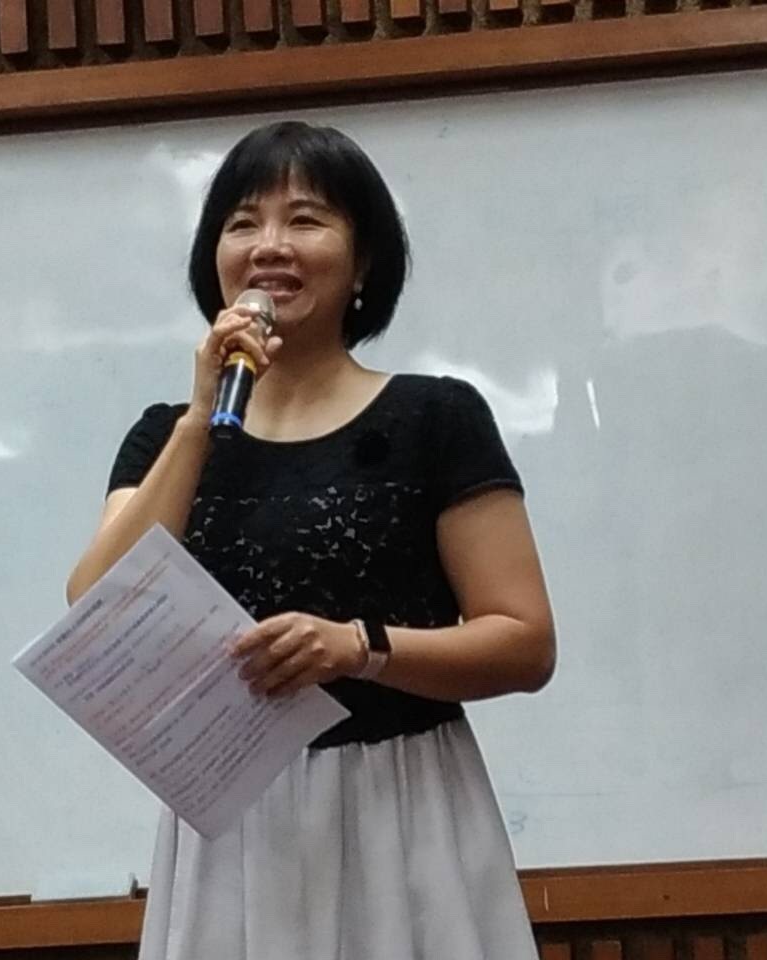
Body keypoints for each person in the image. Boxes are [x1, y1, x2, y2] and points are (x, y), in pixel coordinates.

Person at [66, 120, 557, 960]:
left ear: (362, 263)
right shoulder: (167, 435)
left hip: (400, 806)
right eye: (243, 223)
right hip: (231, 825)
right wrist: (199, 417)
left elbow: (524, 643)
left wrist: (359, 648)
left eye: (305, 219)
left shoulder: (435, 419)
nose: (270, 246)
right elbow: (98, 611)